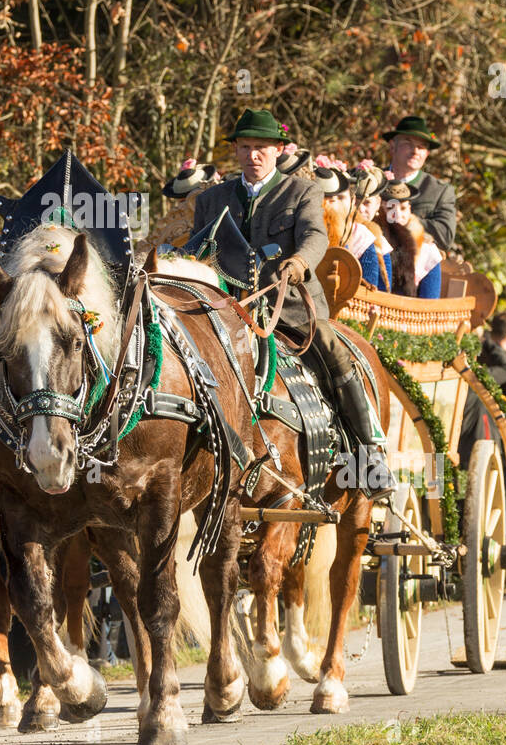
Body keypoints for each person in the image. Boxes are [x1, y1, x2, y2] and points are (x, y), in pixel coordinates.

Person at [191, 107, 395, 497]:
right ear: (235, 151)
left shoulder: (302, 191)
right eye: (245, 147)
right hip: (226, 309)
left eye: (261, 148)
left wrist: (300, 261)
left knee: (335, 353)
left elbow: (316, 237)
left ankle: (371, 454)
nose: (253, 155)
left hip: (290, 308)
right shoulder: (212, 198)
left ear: (278, 149)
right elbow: (199, 246)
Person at [383, 114, 456, 252]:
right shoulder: (373, 180)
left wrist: (408, 220)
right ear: (393, 146)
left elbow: (445, 236)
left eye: (421, 147)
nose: (415, 151)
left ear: (427, 154)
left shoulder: (440, 191)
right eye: (408, 144)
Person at [377, 180, 442, 298]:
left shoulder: (426, 249)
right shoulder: (375, 240)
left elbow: (430, 300)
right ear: (380, 208)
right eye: (390, 208)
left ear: (410, 209)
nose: (397, 215)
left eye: (403, 208)